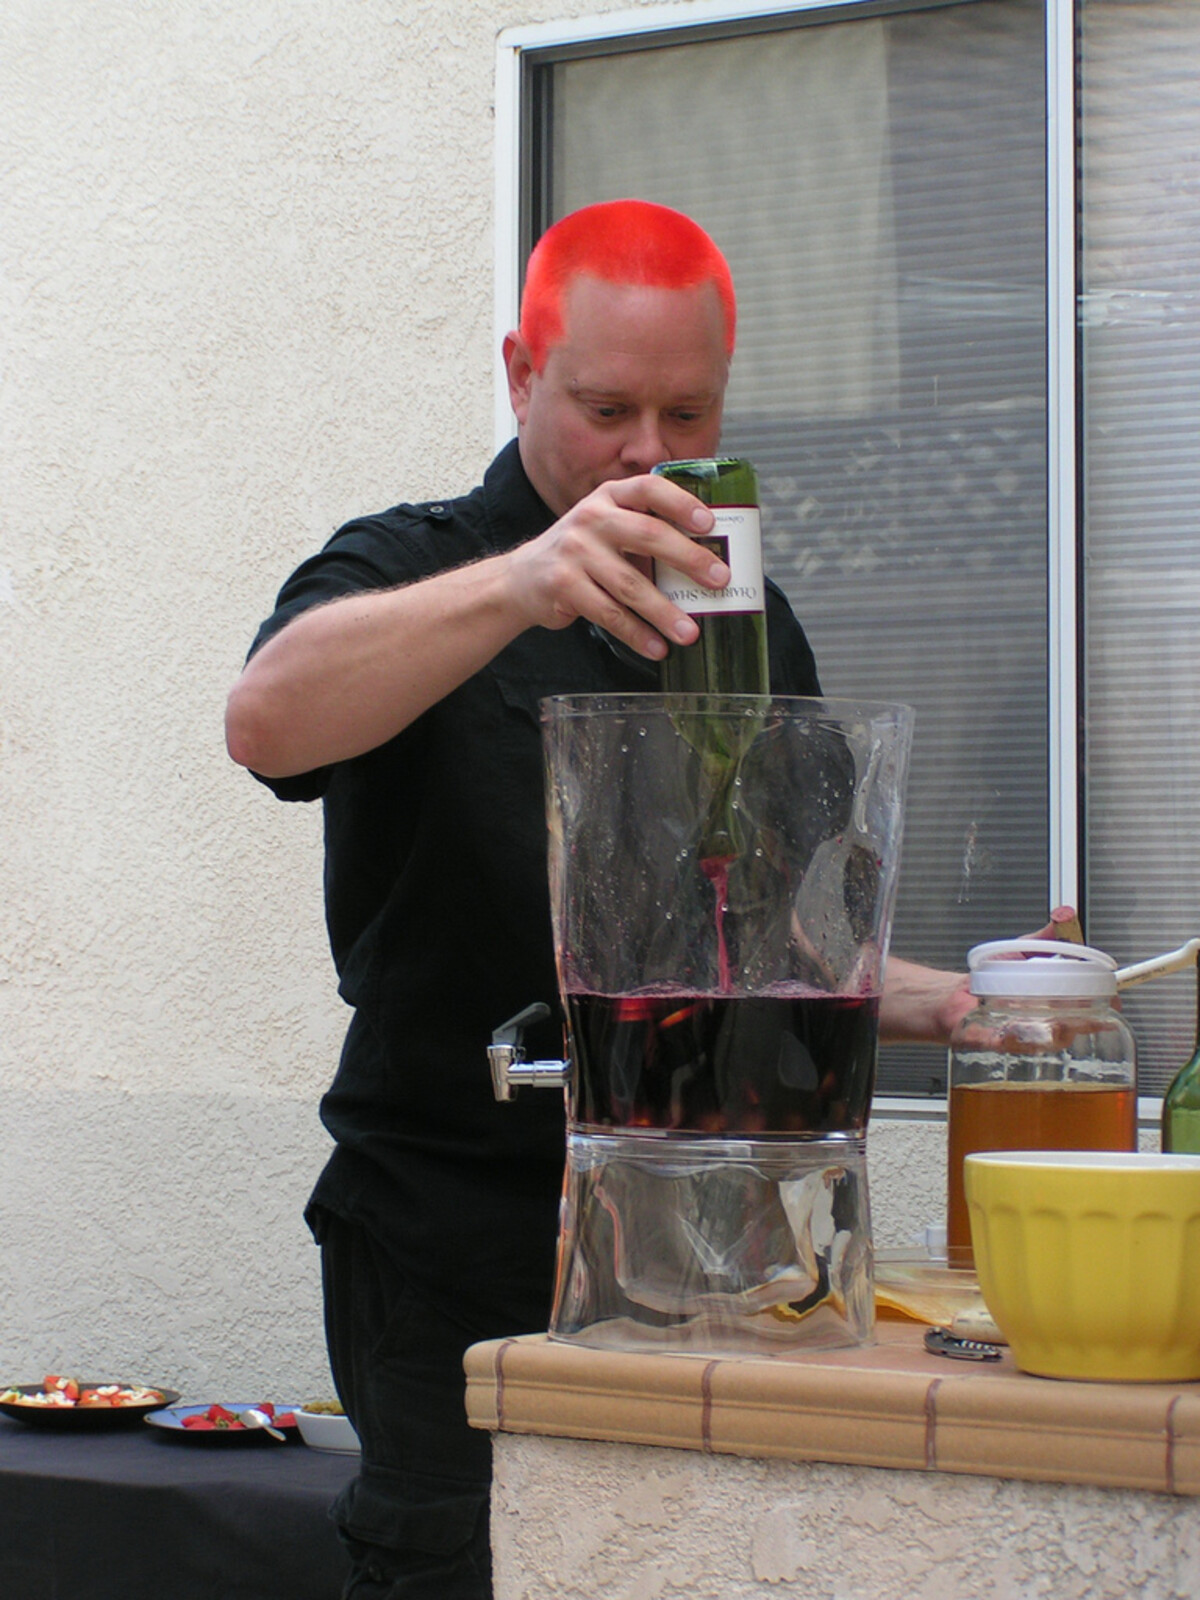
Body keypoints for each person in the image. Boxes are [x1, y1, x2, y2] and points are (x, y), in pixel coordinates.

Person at [226, 199, 977, 1600]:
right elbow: (266, 721)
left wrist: (961, 999)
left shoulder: (748, 619)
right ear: (519, 375)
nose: (649, 454)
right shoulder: (414, 566)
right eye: (607, 407)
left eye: (687, 413)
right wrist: (519, 584)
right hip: (451, 1238)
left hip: (709, 1240)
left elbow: (761, 935)